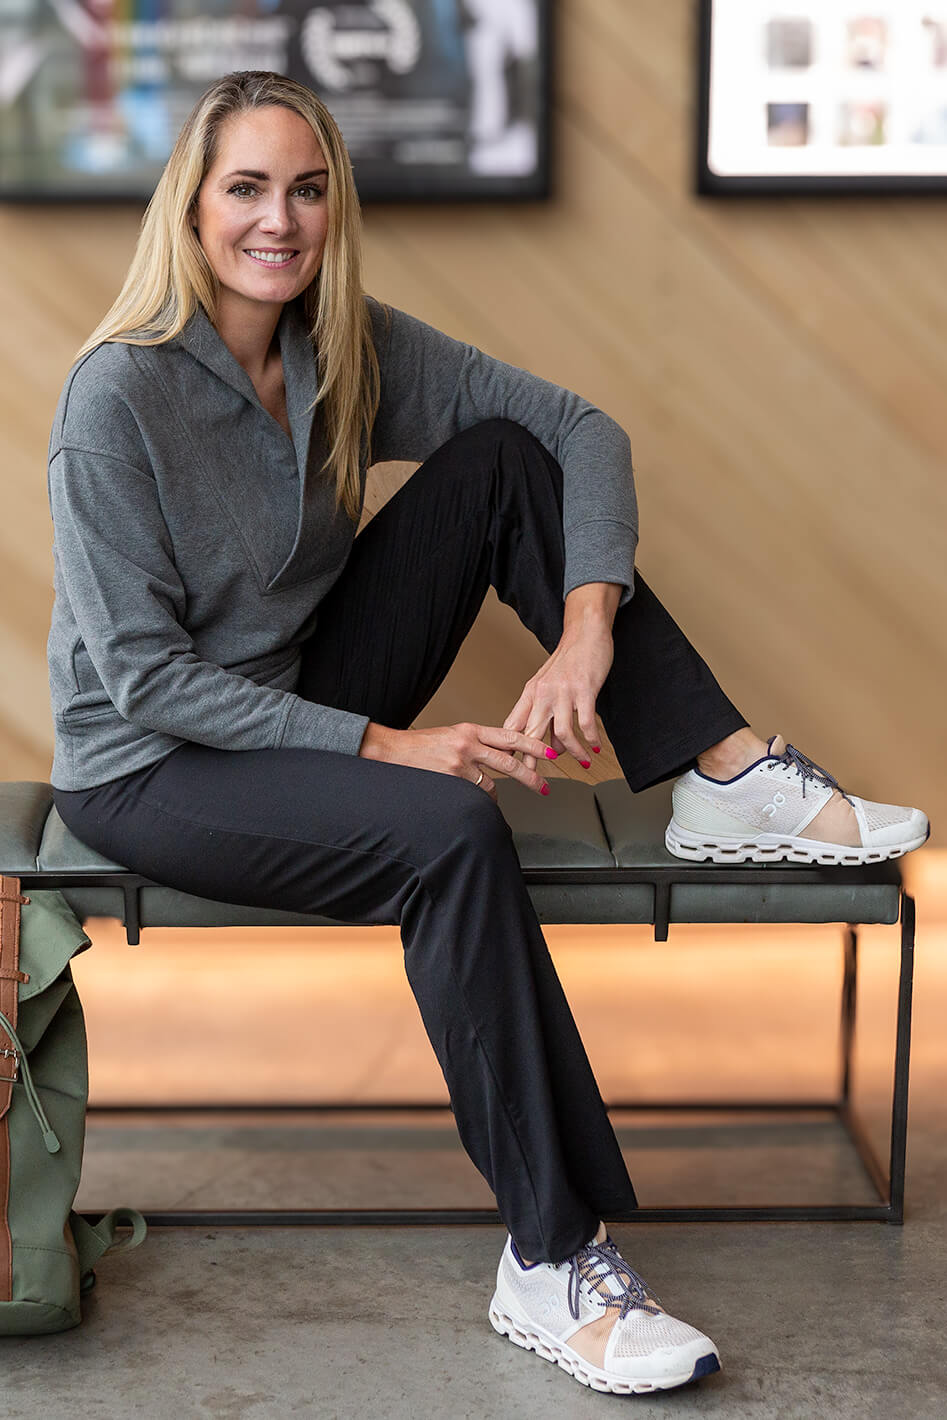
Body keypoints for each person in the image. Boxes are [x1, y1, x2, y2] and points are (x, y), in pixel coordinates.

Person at [45, 70, 928, 1396]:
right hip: (153, 761)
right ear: (191, 207)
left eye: (304, 188)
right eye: (245, 188)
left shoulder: (336, 348)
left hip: (296, 694)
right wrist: (399, 750)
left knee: (509, 459)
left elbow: (583, 429)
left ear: (331, 206)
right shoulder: (115, 401)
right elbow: (146, 684)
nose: (276, 220)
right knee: (454, 829)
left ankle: (715, 767)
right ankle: (552, 1255)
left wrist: (586, 629)